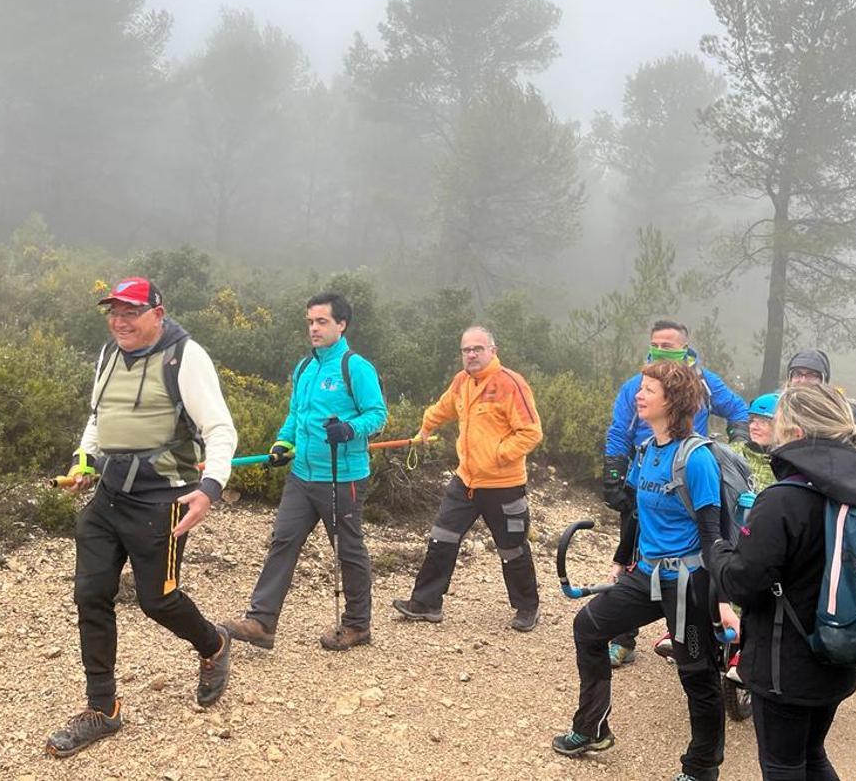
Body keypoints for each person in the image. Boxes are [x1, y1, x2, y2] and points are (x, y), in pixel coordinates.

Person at [46, 277, 238, 757]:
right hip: (108, 495)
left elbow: (220, 429)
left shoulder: (185, 357)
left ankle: (213, 645)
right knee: (91, 594)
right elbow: (98, 417)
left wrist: (209, 489)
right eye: (114, 310)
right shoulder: (110, 354)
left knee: (157, 601)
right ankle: (102, 708)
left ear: (157, 312)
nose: (120, 320)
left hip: (162, 500)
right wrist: (85, 461)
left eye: (131, 311)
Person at [707, 383, 856, 780]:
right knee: (811, 754)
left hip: (785, 664)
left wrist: (717, 549)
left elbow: (745, 583)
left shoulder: (783, 499)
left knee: (783, 764)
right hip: (840, 647)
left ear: (795, 434)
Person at [555, 360, 734, 781]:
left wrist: (723, 600)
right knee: (589, 627)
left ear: (672, 400)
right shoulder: (647, 451)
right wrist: (621, 560)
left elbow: (714, 534)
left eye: (648, 389)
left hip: (689, 581)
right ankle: (592, 728)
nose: (639, 394)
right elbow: (636, 513)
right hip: (647, 573)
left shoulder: (697, 460)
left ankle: (702, 767)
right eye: (641, 387)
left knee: (697, 675)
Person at [225, 292, 387, 652]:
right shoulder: (305, 368)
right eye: (310, 322)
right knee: (283, 541)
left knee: (348, 550)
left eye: (322, 322)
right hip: (302, 475)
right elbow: (295, 416)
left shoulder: (355, 367)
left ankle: (358, 625)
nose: (314, 328)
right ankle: (262, 622)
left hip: (342, 476)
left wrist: (349, 428)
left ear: (341, 324)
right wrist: (282, 444)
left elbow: (377, 415)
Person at [603, 320, 749, 667]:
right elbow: (619, 431)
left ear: (685, 348)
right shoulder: (635, 387)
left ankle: (684, 633)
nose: (661, 350)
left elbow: (739, 411)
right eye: (656, 344)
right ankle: (624, 637)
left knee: (690, 556)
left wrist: (738, 447)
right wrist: (612, 473)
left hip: (685, 484)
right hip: (643, 476)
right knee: (633, 551)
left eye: (669, 345)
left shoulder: (705, 384)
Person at [392, 326, 543, 631]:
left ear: (492, 350)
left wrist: (498, 455)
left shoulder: (510, 384)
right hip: (466, 481)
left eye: (478, 348)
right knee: (441, 538)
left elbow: (531, 432)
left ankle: (528, 607)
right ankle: (426, 603)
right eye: (466, 350)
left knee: (512, 547)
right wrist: (425, 429)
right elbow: (443, 407)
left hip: (504, 484)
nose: (471, 354)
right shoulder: (463, 381)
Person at [785, 349, 856, 422]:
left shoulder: (846, 412)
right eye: (797, 374)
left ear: (823, 380)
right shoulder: (777, 408)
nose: (803, 381)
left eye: (812, 375)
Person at [733, 392, 779, 490]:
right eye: (753, 420)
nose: (753, 427)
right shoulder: (734, 453)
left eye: (763, 422)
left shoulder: (789, 466)